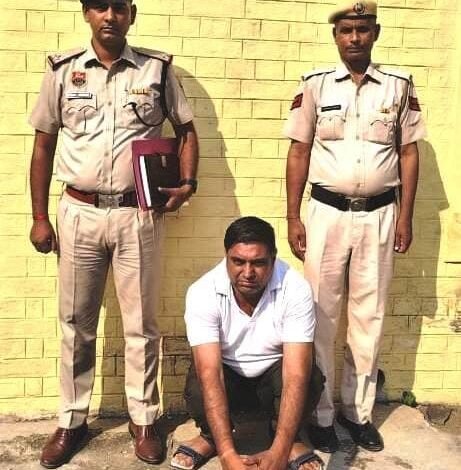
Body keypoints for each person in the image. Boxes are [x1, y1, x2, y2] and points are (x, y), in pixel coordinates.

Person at [28, 1, 199, 468]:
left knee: (141, 323)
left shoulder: (156, 70)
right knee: (75, 322)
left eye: (119, 7)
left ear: (132, 14)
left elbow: (186, 130)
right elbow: (43, 144)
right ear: (87, 13)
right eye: (100, 6)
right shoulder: (63, 71)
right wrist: (40, 216)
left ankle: (144, 420)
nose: (110, 16)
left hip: (137, 214)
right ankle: (71, 420)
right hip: (79, 212)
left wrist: (187, 184)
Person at [284, 0, 426, 454]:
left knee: (369, 315)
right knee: (321, 315)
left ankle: (358, 414)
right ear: (336, 35)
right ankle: (321, 414)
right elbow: (299, 151)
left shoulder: (398, 86)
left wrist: (405, 215)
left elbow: (408, 153)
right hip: (326, 213)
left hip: (380, 215)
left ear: (375, 33)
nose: (355, 38)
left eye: (363, 29)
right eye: (346, 30)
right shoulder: (315, 84)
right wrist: (292, 215)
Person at [171, 217, 325, 470]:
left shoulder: (295, 288)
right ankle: (212, 438)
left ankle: (286, 439)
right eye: (238, 261)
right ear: (226, 257)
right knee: (199, 382)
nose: (248, 273)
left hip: (273, 379)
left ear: (273, 259)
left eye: (259, 263)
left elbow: (296, 373)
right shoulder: (203, 291)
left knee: (310, 378)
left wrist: (279, 453)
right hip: (229, 380)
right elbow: (210, 373)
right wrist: (227, 455)